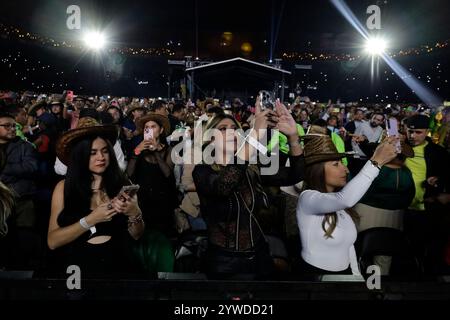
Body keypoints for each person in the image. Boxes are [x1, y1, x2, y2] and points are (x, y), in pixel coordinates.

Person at [193, 99, 304, 279]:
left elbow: (295, 176)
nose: (231, 132)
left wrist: (293, 138)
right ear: (211, 140)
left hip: (259, 256)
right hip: (223, 262)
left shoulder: (252, 168)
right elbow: (223, 187)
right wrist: (254, 135)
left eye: (235, 129)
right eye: (223, 129)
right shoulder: (202, 171)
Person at [47, 122, 145, 277]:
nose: (101, 157)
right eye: (93, 153)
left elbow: (136, 235)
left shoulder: (123, 185)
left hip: (119, 266)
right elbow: (53, 241)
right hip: (77, 269)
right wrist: (91, 220)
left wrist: (135, 212)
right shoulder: (64, 187)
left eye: (105, 151)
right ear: (81, 156)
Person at [296, 134, 397, 275]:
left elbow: (349, 249)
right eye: (336, 164)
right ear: (318, 169)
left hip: (342, 277)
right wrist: (376, 161)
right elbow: (344, 199)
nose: (346, 169)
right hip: (315, 278)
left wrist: (356, 279)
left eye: (342, 163)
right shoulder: (307, 198)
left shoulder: (342, 208)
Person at [127, 113, 177, 236]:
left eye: (153, 126)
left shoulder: (170, 150)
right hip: (142, 204)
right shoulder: (138, 149)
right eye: (146, 128)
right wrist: (137, 151)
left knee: (161, 238)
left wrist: (155, 152)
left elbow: (168, 175)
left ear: (161, 130)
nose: (149, 129)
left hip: (163, 204)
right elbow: (129, 174)